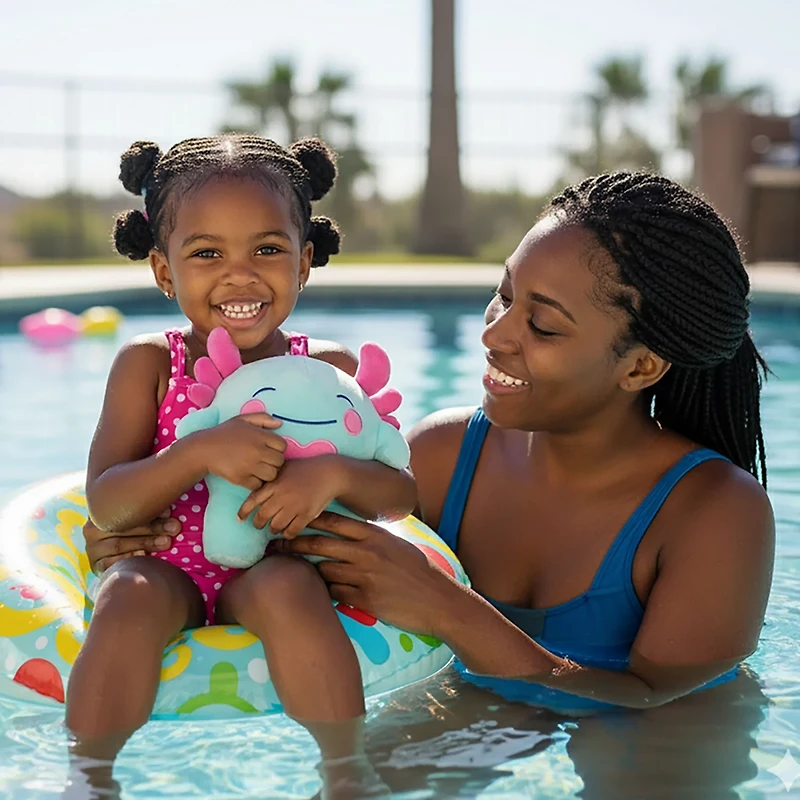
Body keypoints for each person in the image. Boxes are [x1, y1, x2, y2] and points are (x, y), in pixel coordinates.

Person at [83, 172, 776, 790]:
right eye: (502, 295)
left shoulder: (712, 512)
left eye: (540, 324)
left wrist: (448, 610)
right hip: (470, 713)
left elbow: (663, 705)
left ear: (641, 367)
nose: (495, 335)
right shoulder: (447, 455)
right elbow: (282, 552)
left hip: (648, 749)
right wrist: (136, 537)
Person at [66, 134, 415, 798]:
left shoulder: (329, 370)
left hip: (277, 567)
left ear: (305, 260)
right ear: (164, 271)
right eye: (205, 254)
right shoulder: (149, 365)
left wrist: (333, 476)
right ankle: (90, 778)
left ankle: (346, 776)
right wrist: (197, 451)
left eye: (268, 249)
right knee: (127, 595)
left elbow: (397, 494)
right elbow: (108, 505)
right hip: (171, 568)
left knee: (290, 588)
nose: (240, 274)